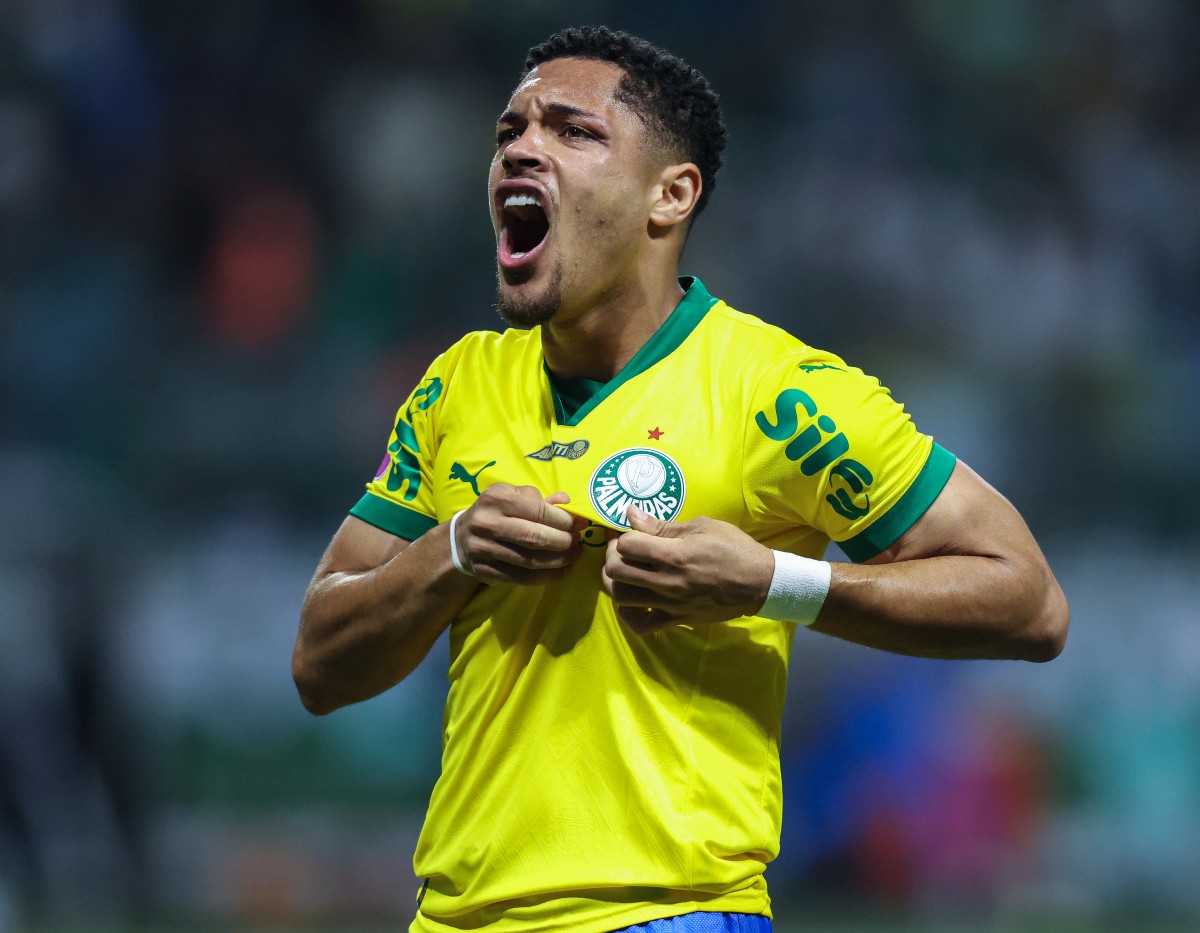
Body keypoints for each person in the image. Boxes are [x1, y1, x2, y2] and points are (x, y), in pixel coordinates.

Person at [292, 25, 1069, 933]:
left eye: (572, 131)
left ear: (671, 195)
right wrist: (452, 549)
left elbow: (1029, 601)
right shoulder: (457, 384)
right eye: (511, 130)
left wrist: (770, 584)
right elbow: (319, 662)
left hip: (670, 914)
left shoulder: (777, 394)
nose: (522, 149)